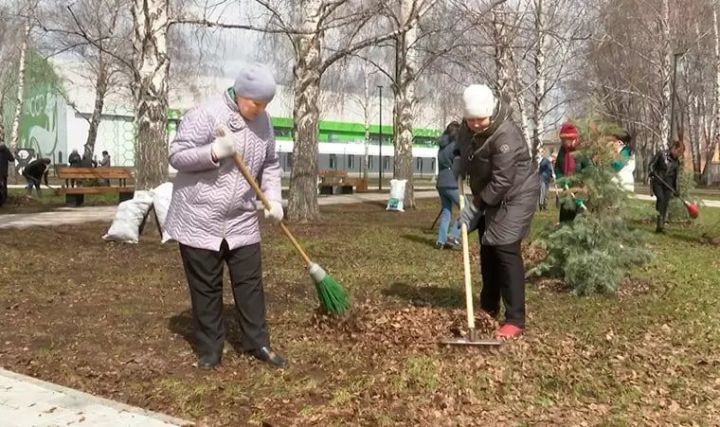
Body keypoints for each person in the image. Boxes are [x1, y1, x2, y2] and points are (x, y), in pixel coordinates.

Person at [164, 63, 286, 370]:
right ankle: (210, 349)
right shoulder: (205, 114)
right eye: (256, 103)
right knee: (206, 286)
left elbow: (270, 163)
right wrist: (213, 152)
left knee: (250, 283)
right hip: (199, 215)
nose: (260, 110)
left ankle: (257, 342)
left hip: (241, 217)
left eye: (265, 104)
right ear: (241, 93)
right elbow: (177, 155)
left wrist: (273, 198)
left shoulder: (264, 122)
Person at [455, 84, 540, 340]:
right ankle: (488, 307)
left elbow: (503, 180)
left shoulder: (506, 135)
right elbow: (462, 145)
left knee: (504, 250)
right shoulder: (467, 125)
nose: (476, 125)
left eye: (480, 120)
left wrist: (476, 205)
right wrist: (459, 160)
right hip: (489, 195)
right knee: (488, 249)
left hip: (516, 195)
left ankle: (515, 319)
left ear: (491, 112)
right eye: (471, 120)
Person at [553, 123, 591, 223]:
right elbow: (557, 167)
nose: (563, 142)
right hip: (567, 190)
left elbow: (589, 170)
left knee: (579, 221)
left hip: (580, 190)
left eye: (565, 140)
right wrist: (560, 178)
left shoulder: (582, 151)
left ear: (572, 138)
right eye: (562, 140)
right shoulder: (562, 150)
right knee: (565, 220)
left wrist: (582, 193)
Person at [435, 121, 462, 249]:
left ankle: (441, 240)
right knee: (467, 210)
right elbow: (458, 164)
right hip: (451, 182)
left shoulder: (441, 146)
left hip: (441, 183)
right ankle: (453, 236)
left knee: (446, 212)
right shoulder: (454, 146)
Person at [649, 140, 684, 233]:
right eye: (678, 152)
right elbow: (651, 164)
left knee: (665, 203)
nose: (679, 155)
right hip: (658, 181)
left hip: (668, 185)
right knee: (660, 199)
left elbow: (676, 177)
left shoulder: (677, 162)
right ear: (674, 148)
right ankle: (659, 224)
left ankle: (661, 226)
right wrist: (652, 171)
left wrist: (676, 189)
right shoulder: (661, 154)